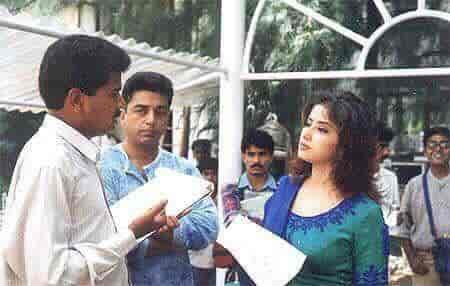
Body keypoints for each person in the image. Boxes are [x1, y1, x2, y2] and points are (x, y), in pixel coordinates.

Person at [0, 35, 176, 286]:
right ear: (76, 100)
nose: (120, 105)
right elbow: (52, 277)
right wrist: (130, 235)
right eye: (114, 94)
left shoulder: (76, 155)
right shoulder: (51, 162)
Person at [99, 71, 218, 286]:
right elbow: (101, 238)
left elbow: (208, 225)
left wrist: (172, 235)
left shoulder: (183, 169)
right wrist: (152, 243)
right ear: (123, 114)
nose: (151, 120)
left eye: (160, 112)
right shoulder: (103, 168)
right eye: (141, 111)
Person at [262, 91, 388, 285]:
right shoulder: (286, 188)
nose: (306, 133)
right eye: (308, 123)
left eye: (321, 129)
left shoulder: (365, 214)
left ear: (346, 144)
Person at [399, 126, 450, 286]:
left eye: (444, 144)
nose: (438, 149)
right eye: (432, 144)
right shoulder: (414, 186)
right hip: (426, 264)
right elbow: (403, 228)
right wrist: (412, 260)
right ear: (425, 150)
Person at [222, 128, 277, 224]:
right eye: (251, 154)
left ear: (271, 157)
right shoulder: (230, 189)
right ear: (244, 157)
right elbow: (234, 222)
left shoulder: (281, 189)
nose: (256, 160)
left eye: (262, 154)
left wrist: (245, 218)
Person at [189, 157, 219, 286]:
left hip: (218, 262)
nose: (210, 177)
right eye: (206, 174)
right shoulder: (192, 200)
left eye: (213, 173)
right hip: (196, 261)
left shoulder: (224, 201)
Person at [374, 122, 400, 231]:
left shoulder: (390, 178)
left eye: (387, 146)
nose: (386, 152)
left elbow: (395, 211)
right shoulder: (350, 178)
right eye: (382, 146)